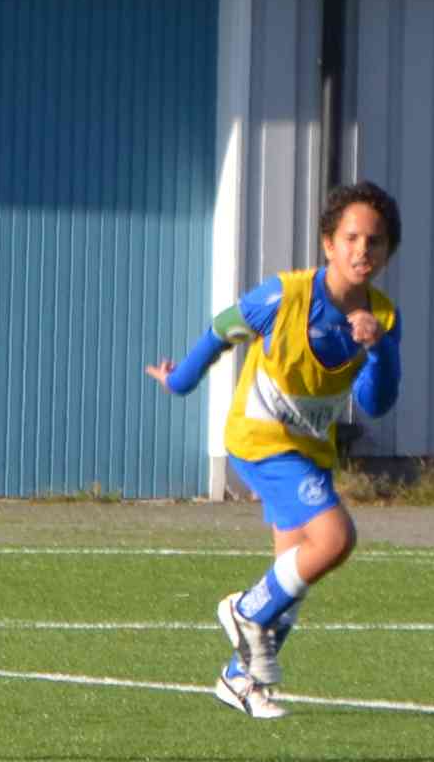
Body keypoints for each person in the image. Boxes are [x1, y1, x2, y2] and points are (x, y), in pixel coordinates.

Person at [155, 180, 402, 719]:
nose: (363, 250)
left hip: (309, 450)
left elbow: (375, 402)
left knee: (293, 573)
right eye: (351, 238)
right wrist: (181, 381)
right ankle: (244, 611)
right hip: (259, 438)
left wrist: (379, 350)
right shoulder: (283, 296)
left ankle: (239, 679)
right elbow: (221, 331)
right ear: (328, 244)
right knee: (335, 538)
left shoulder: (381, 319)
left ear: (388, 252)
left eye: (376, 241)